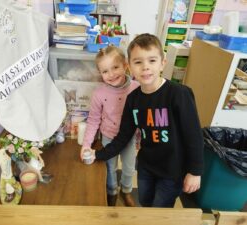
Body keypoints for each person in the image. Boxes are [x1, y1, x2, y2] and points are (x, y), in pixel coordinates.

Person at [81, 33, 204, 207]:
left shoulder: (179, 94)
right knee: (145, 203)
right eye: (138, 62)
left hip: (172, 171)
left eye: (152, 61)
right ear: (130, 66)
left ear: (163, 63)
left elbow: (194, 136)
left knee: (159, 211)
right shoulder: (133, 99)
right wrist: (98, 154)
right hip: (146, 167)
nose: (145, 67)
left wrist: (195, 171)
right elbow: (123, 136)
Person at [81, 45, 140, 206]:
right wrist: (86, 145)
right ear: (100, 73)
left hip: (129, 139)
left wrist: (140, 138)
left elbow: (140, 115)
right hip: (108, 137)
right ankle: (112, 192)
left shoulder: (137, 88)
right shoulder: (99, 94)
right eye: (105, 71)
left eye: (115, 67)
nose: (111, 74)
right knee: (110, 170)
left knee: (129, 170)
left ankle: (125, 192)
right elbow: (93, 120)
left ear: (125, 65)